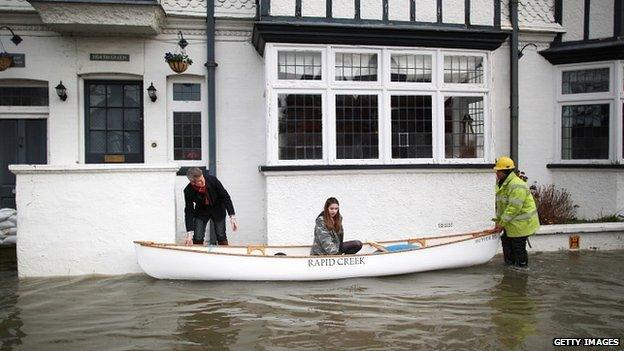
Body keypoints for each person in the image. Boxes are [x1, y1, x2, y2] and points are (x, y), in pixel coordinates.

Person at [490, 156, 540, 267]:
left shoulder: (517, 185)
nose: (496, 173)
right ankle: (510, 268)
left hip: (522, 224)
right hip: (511, 224)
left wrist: (501, 224)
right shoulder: (503, 184)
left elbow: (514, 208)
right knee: (507, 244)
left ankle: (521, 271)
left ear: (505, 172)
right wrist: (498, 223)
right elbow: (501, 207)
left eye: (498, 171)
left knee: (518, 248)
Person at [184, 167, 237, 246]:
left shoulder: (212, 180)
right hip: (201, 211)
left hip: (218, 208)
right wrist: (189, 233)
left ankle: (224, 255)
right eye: (200, 181)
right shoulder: (188, 191)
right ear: (192, 183)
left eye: (203, 178)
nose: (203, 181)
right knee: (198, 236)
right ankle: (197, 255)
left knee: (221, 234)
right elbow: (189, 211)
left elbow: (225, 197)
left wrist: (232, 216)